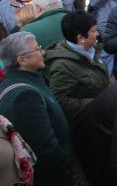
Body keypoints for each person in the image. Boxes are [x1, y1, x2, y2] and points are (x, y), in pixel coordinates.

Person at [0, 32, 73, 185]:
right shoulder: (25, 96)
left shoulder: (18, 80)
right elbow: (45, 149)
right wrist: (67, 164)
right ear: (22, 60)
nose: (43, 52)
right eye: (37, 49)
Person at [44, 11, 109, 126]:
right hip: (86, 124)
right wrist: (98, 103)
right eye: (93, 31)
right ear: (81, 38)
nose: (97, 34)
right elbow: (60, 100)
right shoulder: (62, 65)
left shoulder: (91, 49)